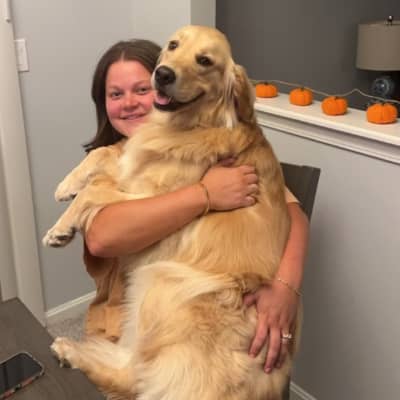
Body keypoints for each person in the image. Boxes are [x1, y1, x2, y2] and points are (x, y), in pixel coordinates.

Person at [81, 39, 309, 375]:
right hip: (129, 324)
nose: (129, 103)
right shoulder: (104, 162)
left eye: (143, 89)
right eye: (115, 94)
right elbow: (102, 237)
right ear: (103, 104)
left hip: (206, 317)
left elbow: (292, 213)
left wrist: (285, 289)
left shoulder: (214, 146)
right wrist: (205, 194)